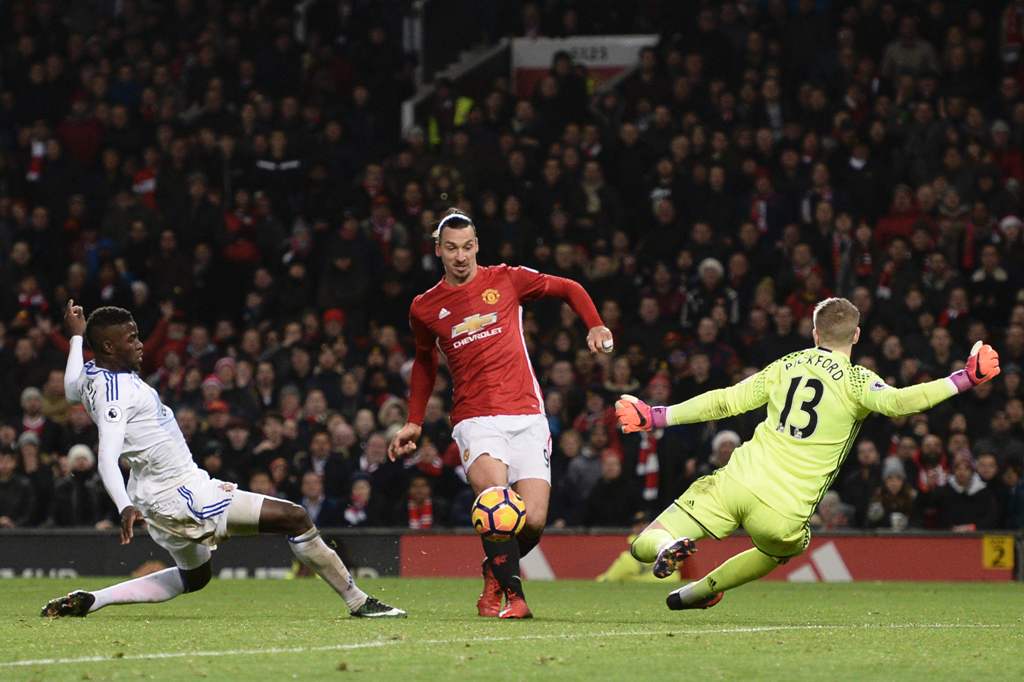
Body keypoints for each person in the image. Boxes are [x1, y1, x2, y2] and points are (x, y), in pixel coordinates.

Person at [616, 297, 1000, 610]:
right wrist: (964, 378)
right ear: (857, 335)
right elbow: (902, 402)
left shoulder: (786, 364)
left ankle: (667, 547)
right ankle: (700, 591)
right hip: (785, 509)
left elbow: (725, 402)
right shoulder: (857, 380)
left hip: (737, 481)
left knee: (645, 541)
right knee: (783, 547)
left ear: (814, 332)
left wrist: (656, 415)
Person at [41, 301, 404, 619]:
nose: (140, 344)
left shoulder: (94, 375)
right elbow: (106, 456)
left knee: (194, 578)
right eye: (132, 338)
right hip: (179, 494)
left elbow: (72, 386)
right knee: (295, 517)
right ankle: (359, 601)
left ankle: (94, 600)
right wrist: (122, 506)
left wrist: (75, 336)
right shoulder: (117, 394)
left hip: (159, 491)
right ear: (107, 345)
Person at [388, 208, 611, 618]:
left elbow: (570, 287)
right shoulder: (425, 307)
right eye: (451, 248)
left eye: (468, 247)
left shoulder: (507, 279)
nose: (461, 256)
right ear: (438, 251)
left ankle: (494, 572)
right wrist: (414, 420)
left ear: (477, 246)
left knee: (534, 521)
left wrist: (594, 325)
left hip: (528, 414)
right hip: (476, 419)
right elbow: (424, 362)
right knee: (496, 502)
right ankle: (516, 598)